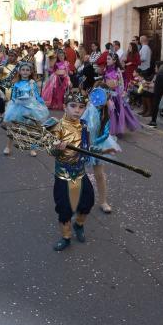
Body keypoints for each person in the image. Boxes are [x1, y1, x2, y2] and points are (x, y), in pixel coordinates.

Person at [45, 90, 96, 251]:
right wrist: (58, 148)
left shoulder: (84, 125)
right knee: (64, 208)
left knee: (88, 202)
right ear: (64, 107)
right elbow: (50, 151)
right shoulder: (57, 127)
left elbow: (86, 146)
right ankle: (66, 237)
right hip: (63, 175)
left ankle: (79, 225)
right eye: (73, 106)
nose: (77, 110)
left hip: (80, 173)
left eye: (81, 107)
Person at [82, 85, 121, 213]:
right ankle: (76, 197)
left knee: (99, 175)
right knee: (78, 172)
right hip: (83, 143)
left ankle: (103, 201)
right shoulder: (87, 108)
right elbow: (80, 124)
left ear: (107, 97)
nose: (98, 98)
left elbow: (105, 133)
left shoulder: (106, 113)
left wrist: (94, 144)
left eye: (103, 95)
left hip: (98, 144)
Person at [2, 61, 49, 156]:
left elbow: (36, 95)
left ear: (31, 72)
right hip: (18, 108)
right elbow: (13, 96)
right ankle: (8, 147)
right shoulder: (16, 84)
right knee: (14, 128)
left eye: (27, 70)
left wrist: (41, 103)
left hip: (30, 107)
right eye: (23, 70)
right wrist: (15, 101)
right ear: (19, 71)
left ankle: (32, 148)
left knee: (32, 129)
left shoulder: (32, 83)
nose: (25, 72)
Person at [104, 52, 140, 135]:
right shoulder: (106, 68)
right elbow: (105, 80)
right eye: (107, 59)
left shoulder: (118, 70)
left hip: (115, 94)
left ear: (114, 60)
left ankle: (115, 128)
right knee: (108, 111)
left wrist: (122, 92)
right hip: (107, 92)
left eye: (109, 59)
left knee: (115, 111)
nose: (107, 60)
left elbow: (122, 82)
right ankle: (107, 127)